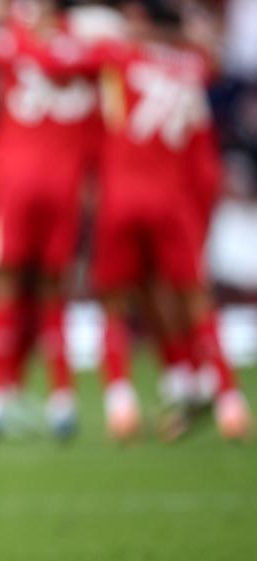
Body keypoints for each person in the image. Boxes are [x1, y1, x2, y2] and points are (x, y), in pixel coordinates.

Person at [78, 0, 250, 440]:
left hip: (124, 194)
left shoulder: (119, 54)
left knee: (115, 298)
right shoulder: (191, 64)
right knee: (191, 296)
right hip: (174, 197)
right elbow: (211, 54)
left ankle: (121, 401)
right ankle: (227, 398)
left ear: (139, 20)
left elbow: (76, 55)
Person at [0, 0, 102, 440]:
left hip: (17, 180)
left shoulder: (14, 39)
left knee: (4, 285)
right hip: (64, 181)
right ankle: (60, 400)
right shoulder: (88, 47)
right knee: (52, 292)